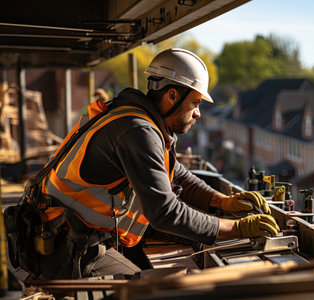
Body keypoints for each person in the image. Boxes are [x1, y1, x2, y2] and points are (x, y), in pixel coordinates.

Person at [29, 48, 279, 279]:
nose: (198, 113)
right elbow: (165, 212)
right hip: (64, 246)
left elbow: (177, 174)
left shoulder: (139, 119)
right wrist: (238, 228)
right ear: (173, 95)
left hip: (78, 233)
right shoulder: (138, 130)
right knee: (150, 289)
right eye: (195, 103)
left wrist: (222, 201)